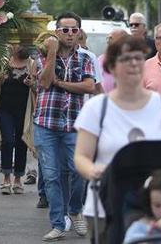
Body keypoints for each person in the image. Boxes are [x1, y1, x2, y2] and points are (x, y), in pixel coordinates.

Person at [74, 35, 161, 239]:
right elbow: (81, 157)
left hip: (155, 205)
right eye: (125, 59)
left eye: (138, 58)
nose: (133, 63)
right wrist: (93, 170)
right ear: (112, 67)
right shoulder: (97, 108)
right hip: (106, 204)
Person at [34, 12, 95, 241]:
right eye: (65, 30)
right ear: (56, 32)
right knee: (51, 176)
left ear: (79, 32)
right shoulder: (42, 55)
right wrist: (51, 52)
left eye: (74, 29)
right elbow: (45, 82)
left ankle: (75, 209)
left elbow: (89, 86)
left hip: (74, 124)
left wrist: (61, 83)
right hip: (46, 124)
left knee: (79, 171)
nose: (70, 34)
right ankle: (58, 224)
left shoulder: (86, 58)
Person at [0, 44, 36, 195]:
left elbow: (39, 87)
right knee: (7, 140)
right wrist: (0, 80)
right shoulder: (3, 63)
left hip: (24, 110)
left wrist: (32, 84)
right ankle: (6, 177)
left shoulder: (32, 64)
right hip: (5, 109)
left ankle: (18, 179)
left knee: (21, 142)